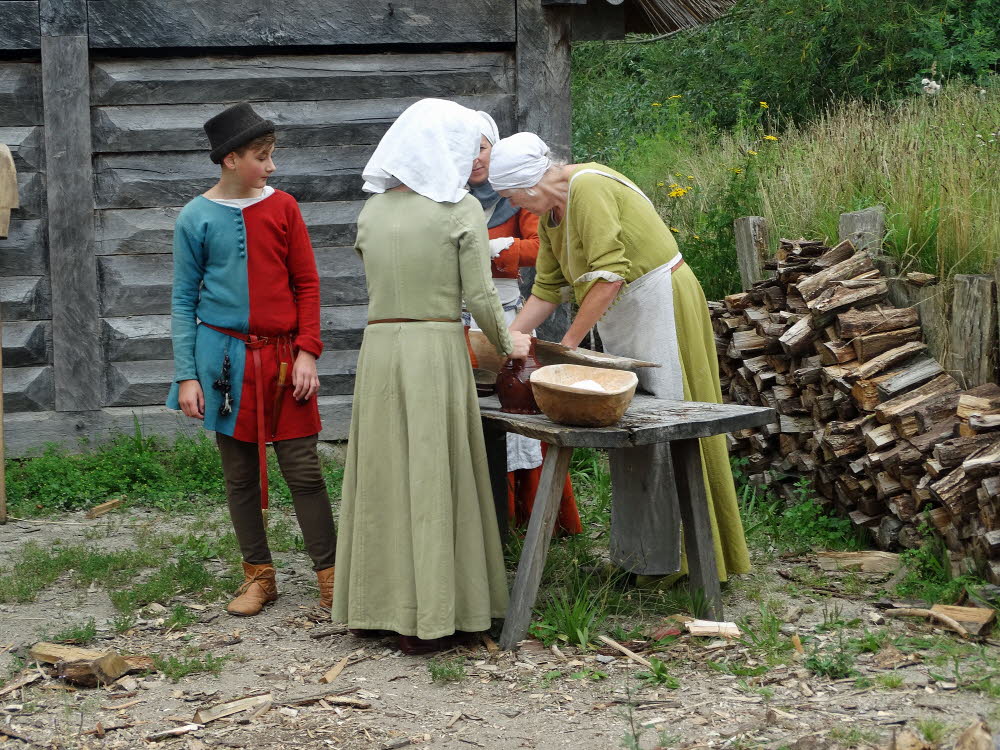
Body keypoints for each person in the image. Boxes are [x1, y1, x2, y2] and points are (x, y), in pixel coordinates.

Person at [487, 132, 750, 584]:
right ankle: (646, 559)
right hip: (623, 315)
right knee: (633, 433)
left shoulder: (588, 187)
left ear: (530, 184)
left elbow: (609, 277)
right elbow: (549, 288)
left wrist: (569, 347)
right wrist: (507, 337)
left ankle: (695, 561)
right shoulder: (552, 215)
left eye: (511, 196)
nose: (514, 207)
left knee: (670, 424)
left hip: (658, 303)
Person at [332, 99, 532, 655]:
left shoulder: (371, 212)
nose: (473, 159)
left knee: (386, 473)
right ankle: (441, 612)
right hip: (436, 348)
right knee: (436, 472)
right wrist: (508, 342)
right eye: (467, 147)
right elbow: (479, 295)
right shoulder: (459, 210)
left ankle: (375, 606)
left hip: (380, 350)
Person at [167, 103, 337, 616]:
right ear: (230, 159)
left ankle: (331, 576)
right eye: (261, 157)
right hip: (223, 361)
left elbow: (306, 282)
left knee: (303, 468)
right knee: (239, 473)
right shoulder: (194, 217)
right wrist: (186, 375)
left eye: (271, 156)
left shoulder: (283, 207)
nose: (270, 166)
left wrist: (308, 350)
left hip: (285, 359)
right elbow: (182, 300)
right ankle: (259, 577)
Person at [466, 113, 582, 536]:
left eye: (480, 148)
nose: (474, 159)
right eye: (466, 150)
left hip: (508, 311)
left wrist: (499, 250)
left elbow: (541, 247)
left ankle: (533, 519)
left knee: (518, 400)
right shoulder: (449, 197)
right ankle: (484, 521)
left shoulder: (514, 197)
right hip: (459, 316)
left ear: (493, 148)